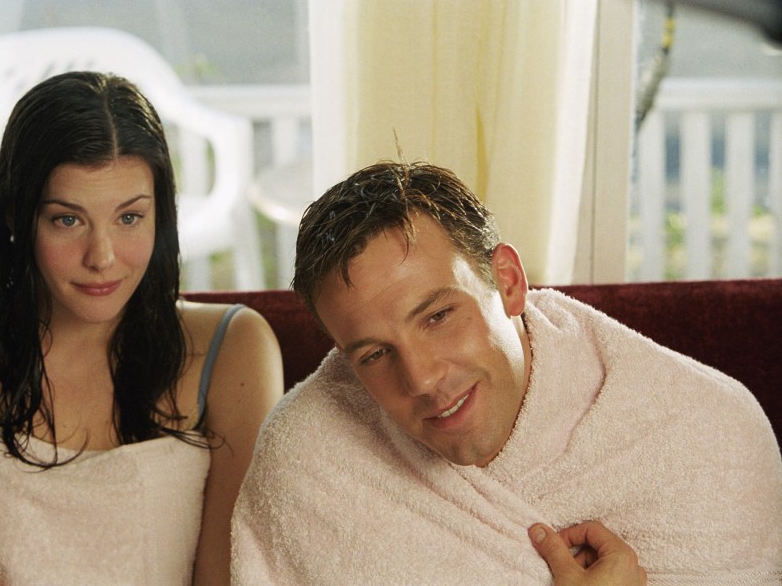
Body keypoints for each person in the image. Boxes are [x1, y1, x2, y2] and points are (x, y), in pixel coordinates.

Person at [231, 161, 782, 584]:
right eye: (374, 355)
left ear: (509, 282)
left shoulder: (706, 435)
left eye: (438, 316)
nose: (421, 379)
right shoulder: (310, 464)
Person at [0, 71, 283, 585]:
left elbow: (233, 575)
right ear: (15, 217)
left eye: (129, 218)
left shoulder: (235, 347)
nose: (102, 257)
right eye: (67, 220)